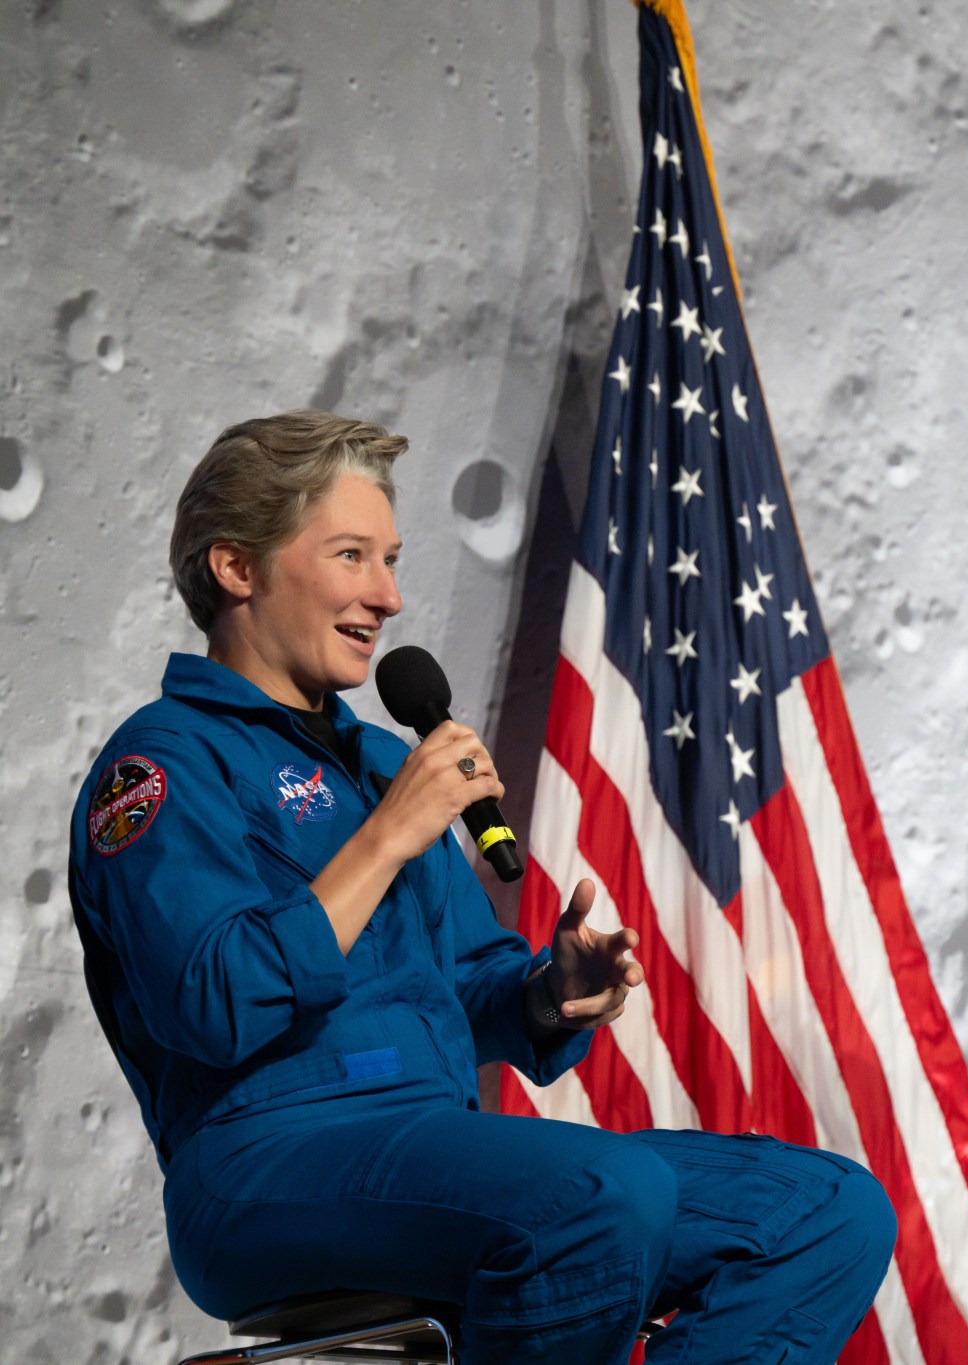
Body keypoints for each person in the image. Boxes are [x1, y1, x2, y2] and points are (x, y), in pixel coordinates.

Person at [69, 411, 894, 1363]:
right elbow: (213, 1004)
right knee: (601, 1197)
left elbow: (467, 986)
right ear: (236, 567)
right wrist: (386, 837)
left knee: (828, 1210)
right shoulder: (160, 766)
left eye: (391, 559)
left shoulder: (385, 762)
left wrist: (549, 993)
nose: (389, 596)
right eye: (351, 555)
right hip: (260, 1162)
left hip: (428, 1138)